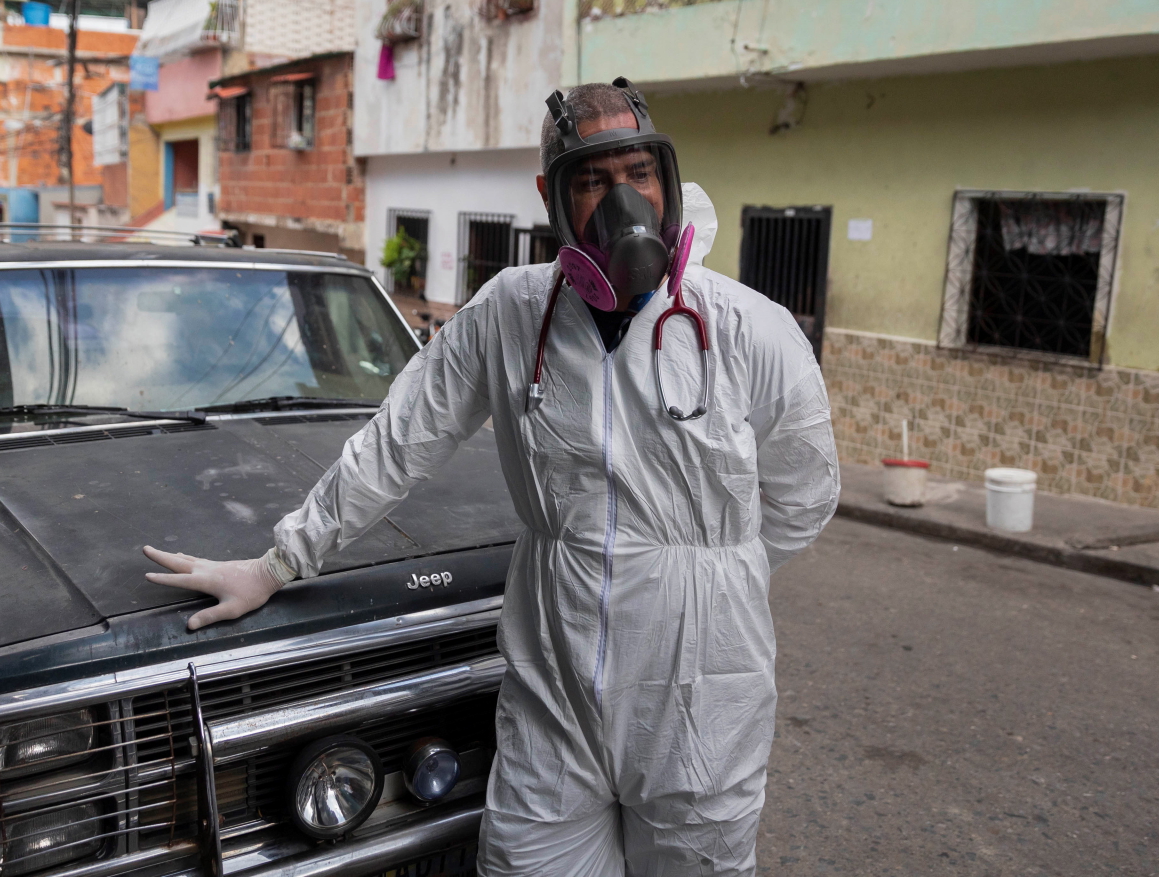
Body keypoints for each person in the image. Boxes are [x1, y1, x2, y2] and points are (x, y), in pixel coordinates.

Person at [142, 79, 840, 876]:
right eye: (592, 180)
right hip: (556, 705)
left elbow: (803, 496)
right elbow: (400, 439)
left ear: (669, 181)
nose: (624, 202)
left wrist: (705, 572)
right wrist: (277, 564)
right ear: (552, 197)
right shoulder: (513, 312)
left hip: (700, 705)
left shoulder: (749, 329)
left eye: (639, 173)